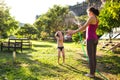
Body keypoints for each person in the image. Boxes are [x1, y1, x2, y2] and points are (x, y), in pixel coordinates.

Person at [67, 7, 99, 78]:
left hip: (90, 39)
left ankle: (91, 74)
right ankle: (93, 72)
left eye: (88, 12)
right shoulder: (96, 18)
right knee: (93, 57)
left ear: (91, 12)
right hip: (95, 39)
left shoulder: (91, 18)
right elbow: (86, 29)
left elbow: (84, 27)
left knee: (91, 57)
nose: (87, 14)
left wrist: (73, 32)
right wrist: (80, 27)